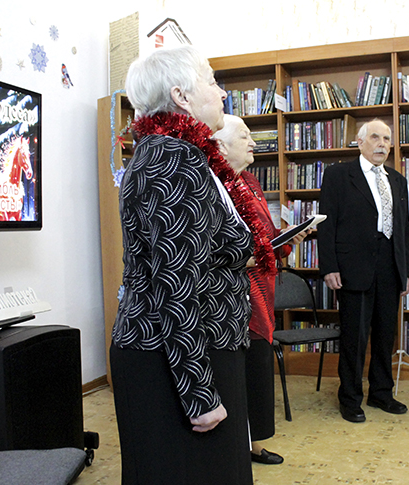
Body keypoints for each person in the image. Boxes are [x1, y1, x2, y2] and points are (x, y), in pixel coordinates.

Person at [110, 46, 253, 484]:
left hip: (192, 347)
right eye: (211, 81)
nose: (222, 93)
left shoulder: (180, 153)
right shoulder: (173, 158)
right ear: (181, 96)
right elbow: (175, 284)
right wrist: (200, 393)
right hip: (177, 359)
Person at [213, 114, 309, 465]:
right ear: (221, 146)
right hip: (236, 294)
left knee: (257, 370)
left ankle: (255, 442)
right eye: (244, 136)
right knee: (241, 371)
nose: (253, 142)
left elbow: (266, 237)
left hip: (262, 292)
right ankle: (237, 446)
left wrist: (288, 239)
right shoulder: (214, 185)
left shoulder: (250, 181)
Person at [317, 118, 409, 423]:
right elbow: (326, 223)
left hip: (389, 266)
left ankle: (382, 392)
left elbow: (403, 229)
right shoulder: (338, 175)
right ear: (359, 142)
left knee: (385, 336)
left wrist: (404, 271)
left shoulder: (397, 180)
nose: (382, 144)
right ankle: (350, 398)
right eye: (375, 137)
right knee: (354, 337)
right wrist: (329, 266)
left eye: (387, 139)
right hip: (352, 266)